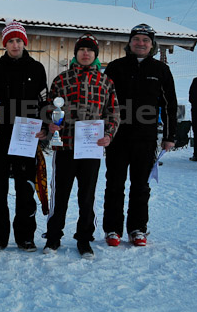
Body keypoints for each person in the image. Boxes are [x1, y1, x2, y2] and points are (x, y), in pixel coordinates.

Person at [43, 34, 120, 258]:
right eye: (82, 50)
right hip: (64, 146)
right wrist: (51, 123)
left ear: (96, 55)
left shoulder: (106, 82)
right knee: (60, 195)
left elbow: (113, 112)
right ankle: (53, 237)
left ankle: (85, 238)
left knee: (87, 196)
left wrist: (108, 135)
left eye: (90, 50)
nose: (85, 53)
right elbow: (49, 106)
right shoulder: (61, 79)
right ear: (76, 53)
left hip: (91, 148)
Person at [103, 23, 177, 247]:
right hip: (117, 136)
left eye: (145, 40)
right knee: (114, 183)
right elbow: (103, 102)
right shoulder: (115, 67)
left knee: (141, 185)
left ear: (152, 44)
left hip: (145, 137)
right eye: (136, 39)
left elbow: (170, 105)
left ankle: (137, 228)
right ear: (130, 42)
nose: (140, 43)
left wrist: (169, 136)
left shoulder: (160, 70)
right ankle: (112, 229)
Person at [0, 20, 48, 252]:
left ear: (24, 42)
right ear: (4, 44)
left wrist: (46, 127)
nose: (15, 45)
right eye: (10, 41)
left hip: (26, 137)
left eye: (18, 40)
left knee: (26, 188)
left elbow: (45, 103)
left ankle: (25, 237)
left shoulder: (37, 69)